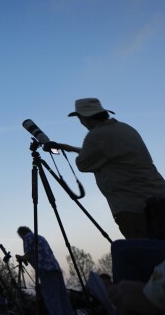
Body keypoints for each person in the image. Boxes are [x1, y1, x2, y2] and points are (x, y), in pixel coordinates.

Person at [50, 98, 165, 239]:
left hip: (134, 207)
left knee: (148, 255)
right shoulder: (125, 128)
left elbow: (83, 165)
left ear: (83, 118)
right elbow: (110, 153)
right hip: (159, 197)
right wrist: (70, 148)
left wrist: (79, 152)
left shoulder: (95, 136)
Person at [16, 226, 73, 315]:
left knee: (52, 300)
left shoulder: (27, 238)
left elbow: (28, 255)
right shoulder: (40, 237)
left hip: (45, 271)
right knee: (63, 299)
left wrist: (21, 258)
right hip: (55, 268)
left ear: (21, 234)